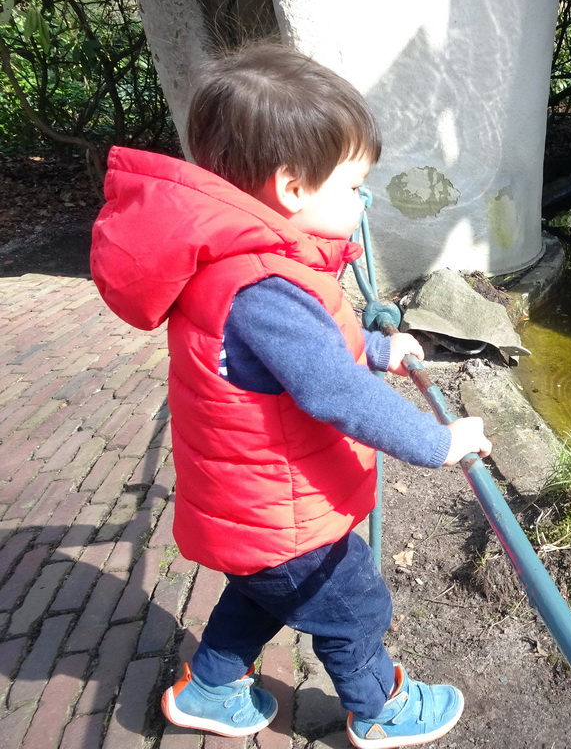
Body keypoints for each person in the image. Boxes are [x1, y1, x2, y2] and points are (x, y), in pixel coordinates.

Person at [90, 42, 492, 748]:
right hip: (284, 511)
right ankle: (379, 709)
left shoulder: (244, 265)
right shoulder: (267, 287)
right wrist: (439, 442)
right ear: (293, 189)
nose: (363, 202)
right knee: (352, 605)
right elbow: (332, 390)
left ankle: (211, 688)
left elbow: (291, 356)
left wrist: (375, 346)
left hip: (253, 511)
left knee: (260, 593)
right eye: (353, 187)